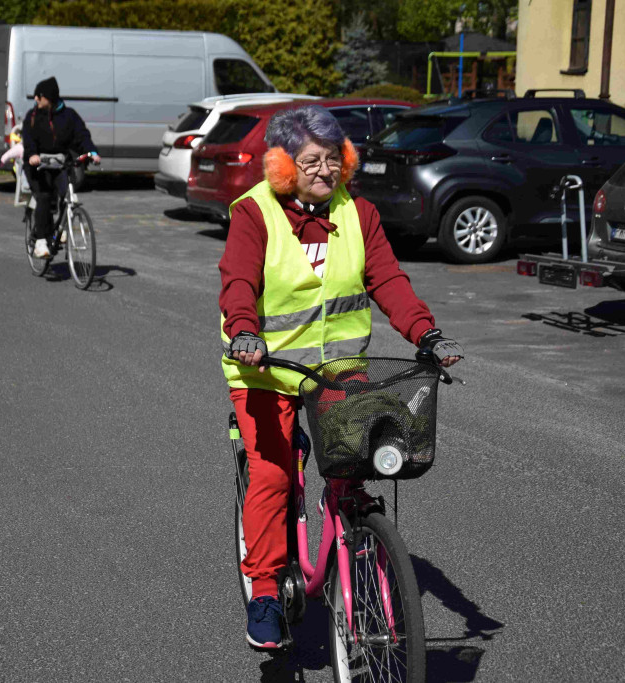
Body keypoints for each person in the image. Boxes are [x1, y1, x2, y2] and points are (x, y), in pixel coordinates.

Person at [218, 105, 463, 650]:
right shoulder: (254, 214)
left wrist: (425, 333)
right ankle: (263, 593)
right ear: (283, 165)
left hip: (338, 371)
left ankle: (355, 545)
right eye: (311, 161)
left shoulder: (359, 214)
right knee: (275, 475)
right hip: (266, 371)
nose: (325, 170)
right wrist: (243, 330)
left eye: (334, 159)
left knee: (353, 468)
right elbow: (237, 281)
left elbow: (389, 280)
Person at [20, 76, 100, 258]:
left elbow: (82, 136)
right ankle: (40, 241)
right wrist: (32, 155)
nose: (36, 100)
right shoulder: (32, 117)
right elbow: (28, 139)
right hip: (37, 166)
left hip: (59, 164)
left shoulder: (69, 116)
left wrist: (92, 152)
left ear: (48, 97)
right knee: (44, 196)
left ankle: (59, 229)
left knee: (67, 195)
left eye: (38, 96)